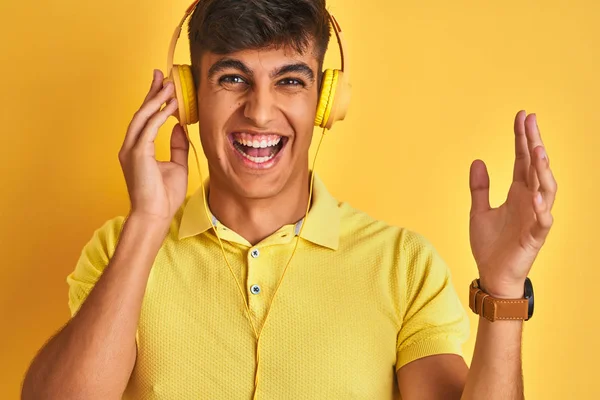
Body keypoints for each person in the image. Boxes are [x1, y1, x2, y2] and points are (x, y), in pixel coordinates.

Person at [21, 0, 557, 399]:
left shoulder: (403, 265)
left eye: (290, 81)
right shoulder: (121, 247)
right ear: (188, 99)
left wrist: (504, 291)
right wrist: (146, 226)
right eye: (233, 78)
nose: (259, 112)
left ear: (326, 101)